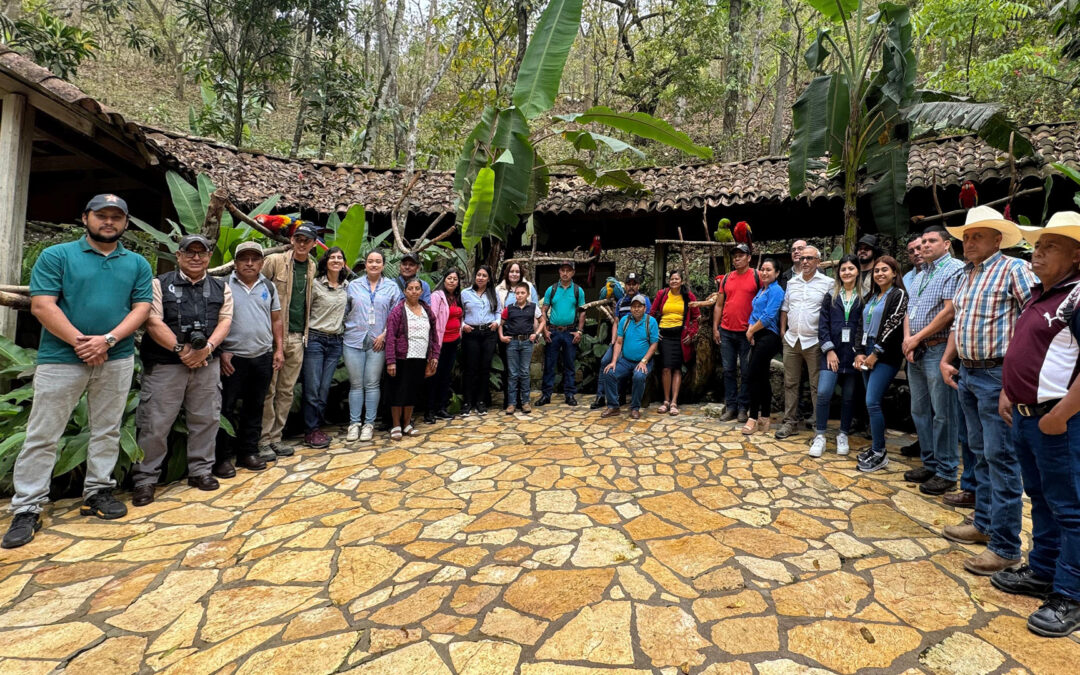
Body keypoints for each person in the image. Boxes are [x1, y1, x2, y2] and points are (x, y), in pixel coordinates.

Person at [3, 195, 152, 549]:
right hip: (60, 359)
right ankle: (27, 507)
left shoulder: (136, 263)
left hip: (116, 358)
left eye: (116, 217)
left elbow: (142, 307)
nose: (109, 222)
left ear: (125, 222)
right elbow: (42, 305)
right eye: (102, 215)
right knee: (43, 434)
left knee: (107, 428)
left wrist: (108, 340)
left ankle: (97, 492)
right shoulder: (57, 255)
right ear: (85, 218)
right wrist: (82, 343)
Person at [994, 211, 1080, 637]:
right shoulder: (1039, 293)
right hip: (1027, 416)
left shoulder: (1077, 297)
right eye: (1039, 245)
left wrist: (1061, 415)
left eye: (1051, 247)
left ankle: (1071, 594)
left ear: (1077, 256)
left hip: (1058, 421)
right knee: (1041, 498)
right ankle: (1044, 569)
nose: (1038, 253)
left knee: (1070, 508)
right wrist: (1009, 389)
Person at [938, 207, 1036, 575]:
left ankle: (1006, 547)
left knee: (1001, 458)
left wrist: (1015, 379)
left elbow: (1035, 322)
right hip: (968, 372)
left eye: (977, 236)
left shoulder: (1014, 269)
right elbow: (959, 323)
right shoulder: (968, 275)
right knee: (978, 453)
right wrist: (948, 359)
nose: (969, 242)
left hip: (998, 375)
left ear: (998, 239)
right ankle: (983, 523)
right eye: (966, 236)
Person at [131, 234, 233, 506]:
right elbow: (153, 322)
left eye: (202, 253)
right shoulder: (158, 284)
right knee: (155, 422)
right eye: (190, 252)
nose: (196, 257)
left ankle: (200, 471)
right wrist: (181, 350)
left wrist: (207, 349)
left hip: (206, 363)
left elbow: (225, 320)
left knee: (206, 418)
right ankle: (145, 479)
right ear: (178, 255)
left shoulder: (221, 287)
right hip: (165, 365)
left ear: (209, 257)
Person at [902, 225, 965, 494]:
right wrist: (908, 339)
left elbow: (950, 312)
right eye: (922, 242)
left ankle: (946, 470)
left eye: (931, 241)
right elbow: (910, 311)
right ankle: (929, 463)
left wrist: (916, 338)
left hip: (938, 348)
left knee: (943, 413)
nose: (924, 246)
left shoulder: (954, 269)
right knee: (919, 410)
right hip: (915, 350)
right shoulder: (920, 274)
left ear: (947, 244)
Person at [215, 242, 282, 478]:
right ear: (235, 263)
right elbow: (214, 320)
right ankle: (222, 458)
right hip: (232, 357)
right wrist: (221, 350)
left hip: (262, 356)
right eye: (244, 259)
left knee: (255, 406)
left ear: (262, 263)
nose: (250, 263)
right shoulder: (223, 285)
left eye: (255, 259)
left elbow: (276, 319)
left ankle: (248, 452)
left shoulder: (268, 287)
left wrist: (278, 349)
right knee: (225, 408)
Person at [259, 223, 318, 458]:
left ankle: (276, 438)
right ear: (292, 240)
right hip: (274, 337)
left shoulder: (312, 266)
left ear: (313, 244)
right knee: (268, 390)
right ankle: (263, 440)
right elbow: (257, 290)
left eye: (307, 240)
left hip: (297, 337)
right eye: (298, 239)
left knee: (286, 391)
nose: (302, 243)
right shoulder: (274, 261)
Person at [855, 256, 909, 473]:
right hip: (867, 350)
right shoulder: (872, 296)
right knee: (871, 402)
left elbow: (893, 324)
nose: (879, 274)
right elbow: (861, 323)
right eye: (876, 271)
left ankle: (880, 452)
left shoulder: (899, 294)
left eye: (884, 270)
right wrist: (860, 352)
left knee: (872, 401)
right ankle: (876, 447)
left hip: (885, 355)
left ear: (894, 273)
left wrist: (876, 353)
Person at [776, 245, 834, 439]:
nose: (805, 262)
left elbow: (832, 313)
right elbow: (785, 308)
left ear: (818, 261)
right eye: (803, 258)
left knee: (817, 386)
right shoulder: (792, 282)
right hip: (792, 340)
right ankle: (790, 423)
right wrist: (783, 331)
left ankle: (819, 426)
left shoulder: (828, 283)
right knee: (790, 383)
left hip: (814, 341)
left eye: (810, 258)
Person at [343, 250, 401, 442]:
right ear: (365, 264)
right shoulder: (353, 285)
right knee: (356, 384)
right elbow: (344, 311)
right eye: (370, 261)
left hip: (378, 341)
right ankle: (354, 424)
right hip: (353, 339)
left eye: (378, 261)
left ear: (383, 265)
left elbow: (395, 316)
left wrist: (384, 335)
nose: (374, 265)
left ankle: (369, 424)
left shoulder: (391, 287)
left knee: (372, 383)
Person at [809, 255, 863, 458]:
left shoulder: (864, 296)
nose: (847, 272)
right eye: (843, 269)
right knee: (824, 392)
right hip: (832, 353)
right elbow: (822, 326)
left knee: (848, 397)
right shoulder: (830, 296)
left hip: (853, 355)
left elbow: (865, 327)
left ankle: (843, 434)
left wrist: (860, 352)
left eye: (851, 268)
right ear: (838, 273)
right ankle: (820, 435)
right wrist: (829, 350)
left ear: (857, 271)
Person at [300, 246, 351, 448]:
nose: (336, 260)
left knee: (323, 389)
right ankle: (310, 430)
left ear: (344, 263)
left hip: (335, 341)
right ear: (326, 261)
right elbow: (304, 309)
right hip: (315, 339)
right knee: (312, 388)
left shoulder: (347, 287)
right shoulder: (315, 285)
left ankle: (316, 427)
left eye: (340, 257)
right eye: (332, 257)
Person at [384, 278, 439, 439]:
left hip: (420, 357)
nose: (414, 291)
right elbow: (390, 337)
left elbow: (434, 335)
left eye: (417, 288)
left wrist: (434, 356)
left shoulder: (427, 310)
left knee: (412, 392)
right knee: (397, 391)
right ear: (405, 291)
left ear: (422, 291)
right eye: (410, 288)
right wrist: (391, 360)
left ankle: (407, 424)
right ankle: (396, 425)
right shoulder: (398, 311)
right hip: (402, 357)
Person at [712, 243, 759, 423]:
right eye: (735, 256)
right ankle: (731, 406)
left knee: (746, 371)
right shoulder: (726, 278)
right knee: (728, 370)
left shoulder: (756, 276)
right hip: (726, 331)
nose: (737, 258)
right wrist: (715, 328)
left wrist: (756, 329)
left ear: (749, 257)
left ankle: (743, 408)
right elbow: (719, 304)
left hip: (747, 333)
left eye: (741, 255)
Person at [592, 272, 650, 409]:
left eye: (634, 284)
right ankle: (600, 396)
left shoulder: (644, 300)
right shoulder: (621, 301)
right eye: (628, 284)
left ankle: (622, 397)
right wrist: (613, 342)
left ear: (638, 285)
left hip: (635, 343)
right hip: (619, 341)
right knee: (605, 362)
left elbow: (647, 321)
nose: (631, 287)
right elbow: (616, 322)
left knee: (624, 365)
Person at [741, 259, 785, 435]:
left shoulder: (777, 290)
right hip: (757, 334)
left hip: (769, 336)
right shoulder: (762, 290)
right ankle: (765, 418)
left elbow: (768, 316)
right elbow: (754, 313)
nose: (764, 273)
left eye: (769, 270)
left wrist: (751, 331)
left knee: (752, 374)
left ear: (777, 273)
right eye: (762, 269)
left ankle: (752, 418)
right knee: (762, 376)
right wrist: (750, 330)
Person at [599, 294, 660, 420]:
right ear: (630, 308)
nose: (636, 309)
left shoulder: (651, 322)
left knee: (639, 376)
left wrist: (644, 361)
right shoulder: (625, 320)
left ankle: (635, 408)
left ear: (644, 308)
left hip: (643, 361)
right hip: (626, 361)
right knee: (609, 372)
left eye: (639, 306)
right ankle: (613, 406)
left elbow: (654, 344)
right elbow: (619, 342)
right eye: (634, 306)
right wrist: (614, 361)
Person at [650, 270, 700, 416]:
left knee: (677, 368)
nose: (674, 281)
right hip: (664, 335)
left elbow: (696, 317)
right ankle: (666, 401)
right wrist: (654, 331)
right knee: (666, 368)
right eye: (672, 279)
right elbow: (652, 314)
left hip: (680, 335)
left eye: (677, 279)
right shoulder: (662, 294)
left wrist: (691, 333)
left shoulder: (688, 296)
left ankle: (674, 402)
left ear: (682, 281)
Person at [539, 261, 586, 407]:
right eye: (563, 270)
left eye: (568, 270)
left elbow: (582, 312)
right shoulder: (551, 289)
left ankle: (570, 394)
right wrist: (545, 329)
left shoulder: (578, 290)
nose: (565, 273)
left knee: (569, 365)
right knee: (549, 364)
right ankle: (546, 395)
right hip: (553, 331)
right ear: (559, 272)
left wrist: (579, 331)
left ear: (573, 272)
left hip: (570, 331)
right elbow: (543, 310)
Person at [494, 262, 539, 406]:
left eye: (517, 271)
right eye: (511, 271)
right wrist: (500, 334)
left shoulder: (529, 287)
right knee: (509, 369)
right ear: (507, 273)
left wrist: (536, 333)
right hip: (507, 334)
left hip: (525, 334)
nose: (514, 274)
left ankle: (523, 400)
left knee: (524, 370)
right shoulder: (499, 289)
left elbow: (536, 312)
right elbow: (497, 312)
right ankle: (510, 400)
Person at [460, 265, 500, 416]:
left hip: (489, 333)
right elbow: (459, 313)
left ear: (489, 279)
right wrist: (463, 325)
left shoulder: (493, 293)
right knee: (470, 368)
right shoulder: (465, 293)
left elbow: (498, 311)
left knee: (485, 368)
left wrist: (497, 322)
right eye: (478, 275)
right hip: (471, 333)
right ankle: (467, 402)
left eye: (484, 275)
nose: (481, 278)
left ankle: (481, 401)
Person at [500, 282, 545, 414]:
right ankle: (511, 403)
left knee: (524, 372)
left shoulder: (533, 307)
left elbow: (542, 321)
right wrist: (502, 336)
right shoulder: (509, 308)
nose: (519, 295)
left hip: (526, 342)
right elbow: (500, 323)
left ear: (527, 294)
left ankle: (525, 402)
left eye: (522, 293)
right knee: (513, 374)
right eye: (517, 293)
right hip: (512, 343)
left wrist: (536, 334)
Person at [426, 268, 463, 423]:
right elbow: (433, 318)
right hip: (439, 343)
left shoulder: (457, 297)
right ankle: (429, 411)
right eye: (449, 278)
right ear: (444, 280)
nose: (452, 281)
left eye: (455, 279)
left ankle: (441, 408)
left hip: (453, 342)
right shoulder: (437, 296)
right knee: (434, 376)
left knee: (446, 376)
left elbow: (460, 317)